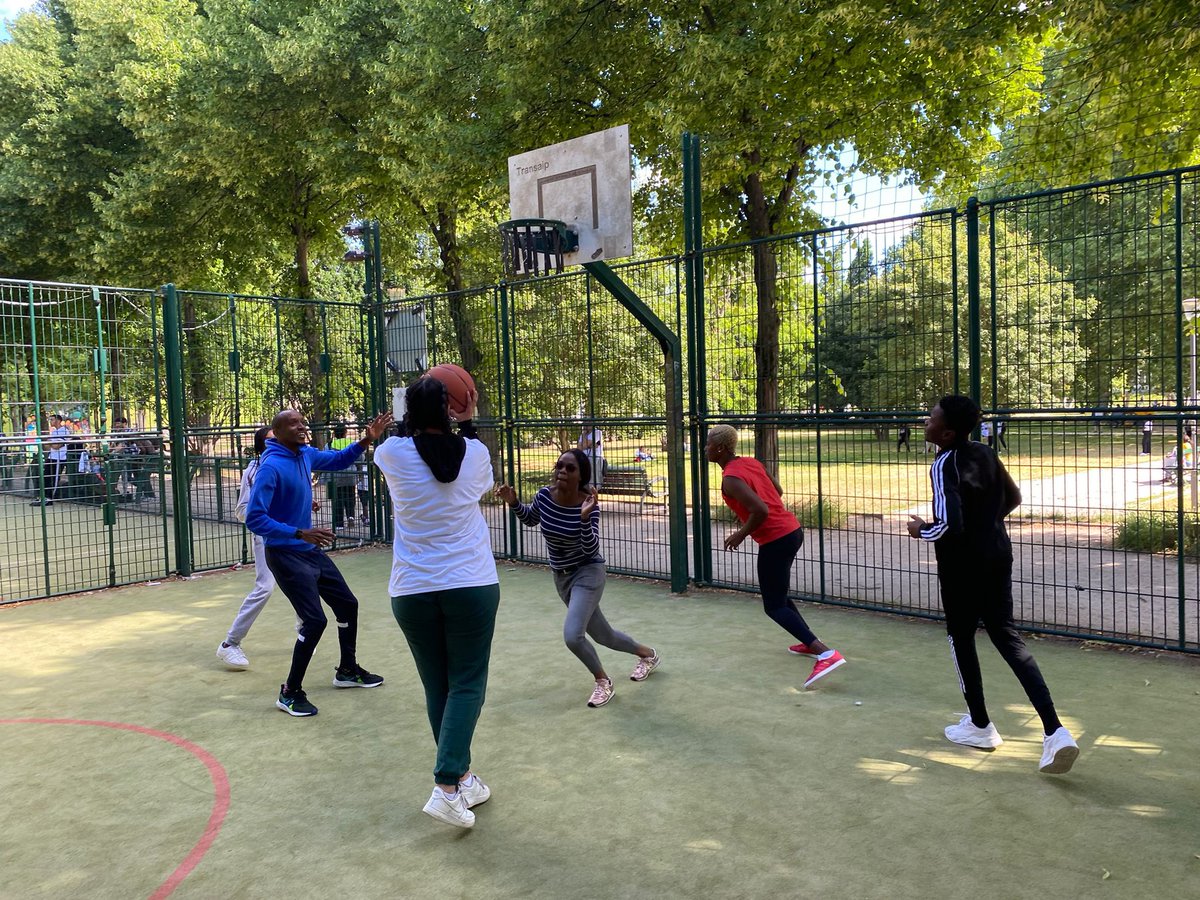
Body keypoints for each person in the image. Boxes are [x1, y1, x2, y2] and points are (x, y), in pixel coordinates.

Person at [906, 394, 1079, 774]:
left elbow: (949, 524)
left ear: (947, 432)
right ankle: (1055, 730)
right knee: (1007, 637)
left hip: (961, 568)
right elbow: (1013, 497)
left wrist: (921, 530)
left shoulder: (944, 462)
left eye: (931, 418)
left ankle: (981, 726)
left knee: (961, 637)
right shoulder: (984, 453)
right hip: (997, 556)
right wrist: (987, 526)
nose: (926, 422)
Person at [374, 376, 500, 829]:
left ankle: (463, 778)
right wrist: (465, 419)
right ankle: (447, 784)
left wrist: (438, 412)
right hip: (470, 583)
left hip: (411, 589)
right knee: (467, 684)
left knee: (438, 687)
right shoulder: (477, 454)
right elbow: (463, 463)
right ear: (452, 410)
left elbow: (411, 443)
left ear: (408, 412)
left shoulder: (389, 453)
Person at [245, 407, 393, 717]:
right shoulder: (271, 468)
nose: (302, 426)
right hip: (285, 554)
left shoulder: (305, 454)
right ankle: (290, 692)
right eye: (293, 424)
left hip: (308, 549)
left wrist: (367, 439)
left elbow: (338, 461)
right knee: (314, 621)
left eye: (302, 421)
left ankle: (347, 670)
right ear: (278, 432)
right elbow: (254, 518)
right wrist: (299, 532)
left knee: (347, 605)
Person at [496, 448, 659, 710]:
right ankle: (648, 655)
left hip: (588, 573)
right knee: (604, 636)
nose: (562, 471)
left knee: (573, 636)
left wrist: (584, 518)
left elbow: (590, 548)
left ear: (581, 475)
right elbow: (531, 519)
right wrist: (514, 502)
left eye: (570, 468)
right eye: (560, 465)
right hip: (562, 578)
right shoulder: (544, 496)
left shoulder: (588, 505)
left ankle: (603, 682)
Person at [703, 424, 845, 688]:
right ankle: (809, 643)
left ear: (720, 447)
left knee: (774, 605)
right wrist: (747, 513)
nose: (705, 448)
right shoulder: (749, 463)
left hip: (776, 539)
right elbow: (776, 492)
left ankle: (825, 654)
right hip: (792, 531)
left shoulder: (730, 478)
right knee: (780, 595)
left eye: (708, 444)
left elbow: (761, 510)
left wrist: (741, 533)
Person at [217, 426, 279, 670]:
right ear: (261, 445)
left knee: (306, 582)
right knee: (265, 587)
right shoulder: (253, 471)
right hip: (267, 536)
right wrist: (265, 518)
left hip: (295, 536)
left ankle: (305, 629)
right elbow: (242, 511)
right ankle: (229, 644)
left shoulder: (293, 463)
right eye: (271, 439)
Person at [30, 414, 69, 507]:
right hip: (51, 457)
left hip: (59, 458)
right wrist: (51, 442)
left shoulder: (64, 431)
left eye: (52, 419)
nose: (50, 421)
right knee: (45, 477)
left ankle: (50, 498)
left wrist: (50, 442)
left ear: (58, 420)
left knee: (54, 478)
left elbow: (57, 446)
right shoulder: (54, 432)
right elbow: (49, 446)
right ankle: (43, 497)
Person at [324, 422, 358, 530]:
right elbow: (360, 458)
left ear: (334, 433)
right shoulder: (351, 443)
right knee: (350, 496)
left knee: (338, 498)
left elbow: (325, 457)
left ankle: (339, 524)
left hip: (336, 475)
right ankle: (351, 517)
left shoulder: (329, 445)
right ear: (345, 432)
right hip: (350, 474)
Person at [578, 423, 604, 489]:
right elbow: (579, 447)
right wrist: (584, 436)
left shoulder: (597, 432)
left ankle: (593, 494)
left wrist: (586, 444)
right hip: (584, 457)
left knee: (593, 478)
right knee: (585, 475)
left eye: (588, 423)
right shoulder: (582, 435)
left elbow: (584, 445)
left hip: (595, 458)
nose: (586, 425)